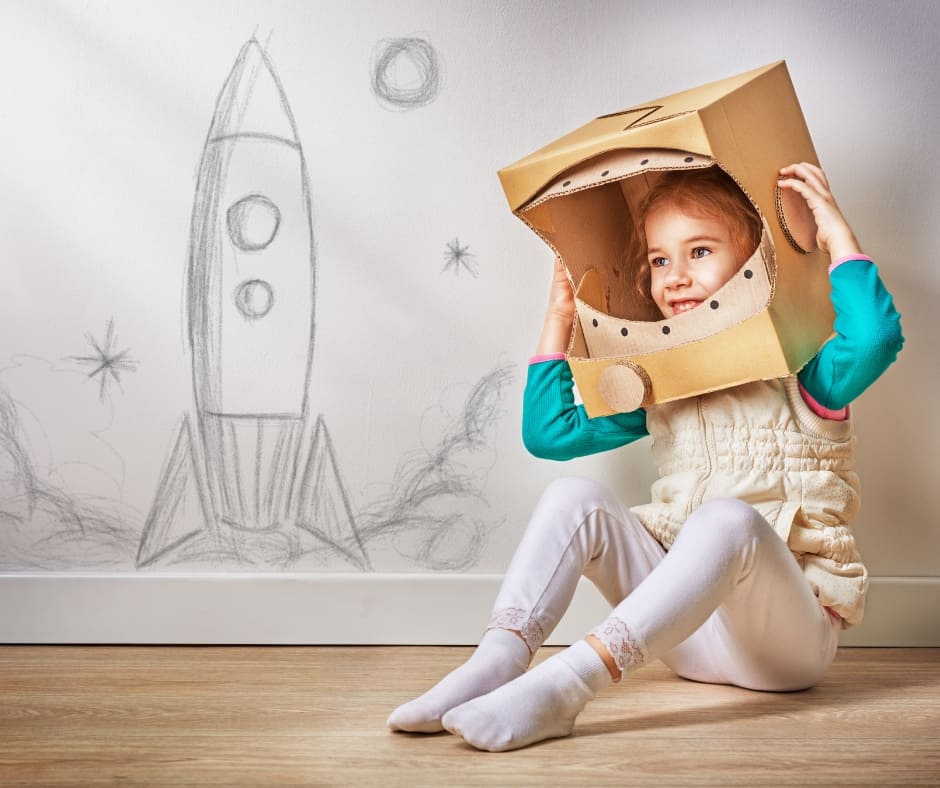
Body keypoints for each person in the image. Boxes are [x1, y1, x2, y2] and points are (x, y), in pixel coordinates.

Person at [387, 162, 904, 752]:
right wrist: (560, 315)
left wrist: (835, 235)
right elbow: (551, 435)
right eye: (660, 260)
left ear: (756, 264)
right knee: (573, 497)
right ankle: (497, 662)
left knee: (728, 519)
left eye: (700, 251)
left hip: (785, 650)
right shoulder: (663, 387)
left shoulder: (805, 379)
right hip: (681, 638)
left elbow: (876, 337)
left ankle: (568, 684)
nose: (675, 277)